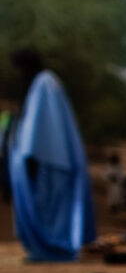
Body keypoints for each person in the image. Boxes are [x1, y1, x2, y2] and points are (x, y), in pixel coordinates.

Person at [6, 47, 94, 261]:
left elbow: (43, 125)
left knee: (49, 208)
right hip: (38, 159)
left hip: (46, 160)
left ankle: (53, 248)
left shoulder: (45, 84)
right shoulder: (41, 84)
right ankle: (42, 249)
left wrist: (31, 154)